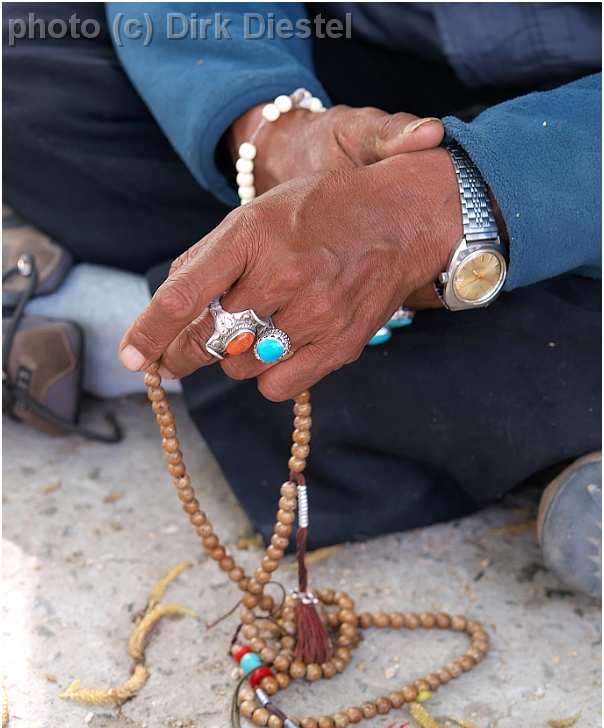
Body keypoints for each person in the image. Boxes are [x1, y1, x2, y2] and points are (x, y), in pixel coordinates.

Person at [3, 3, 601, 597]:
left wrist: (466, 201)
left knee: (510, 278)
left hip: (572, 137)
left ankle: (125, 327)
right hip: (347, 68)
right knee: (24, 67)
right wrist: (267, 128)